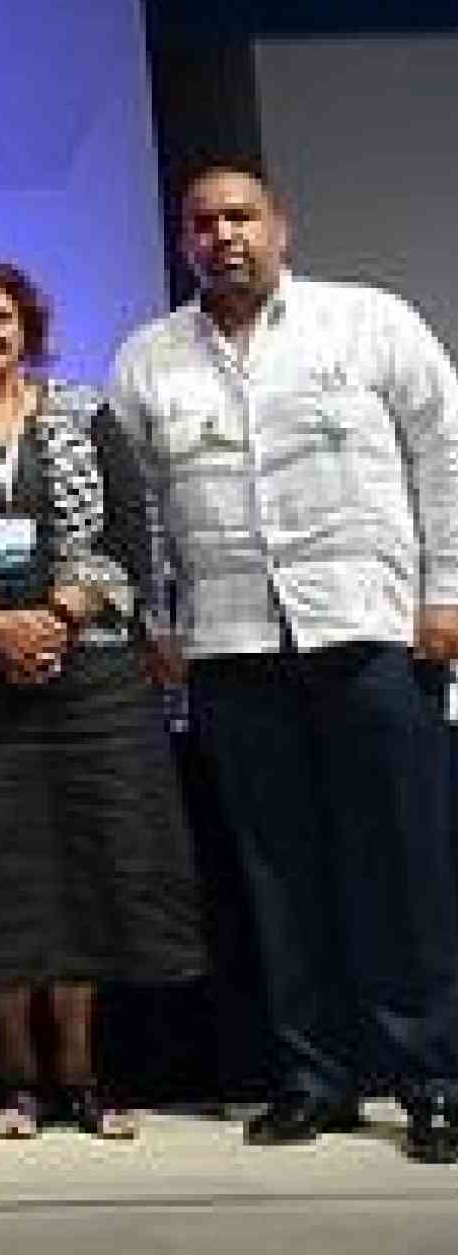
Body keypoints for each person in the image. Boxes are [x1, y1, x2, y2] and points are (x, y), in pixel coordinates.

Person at [111, 165, 458, 1162]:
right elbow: (138, 512)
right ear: (183, 243)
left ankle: (431, 1078)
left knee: (402, 867)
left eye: (241, 217)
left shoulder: (370, 323)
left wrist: (446, 595)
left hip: (372, 631)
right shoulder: (152, 359)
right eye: (202, 223)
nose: (223, 236)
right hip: (232, 645)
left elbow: (443, 455)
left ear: (280, 227)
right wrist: (157, 621)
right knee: (277, 875)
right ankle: (315, 1078)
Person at [0, 258, 205, 1141]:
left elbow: (124, 540)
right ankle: (14, 1072)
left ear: (26, 326)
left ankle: (81, 1069)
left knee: (86, 870)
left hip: (90, 686)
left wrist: (52, 620)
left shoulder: (87, 414)